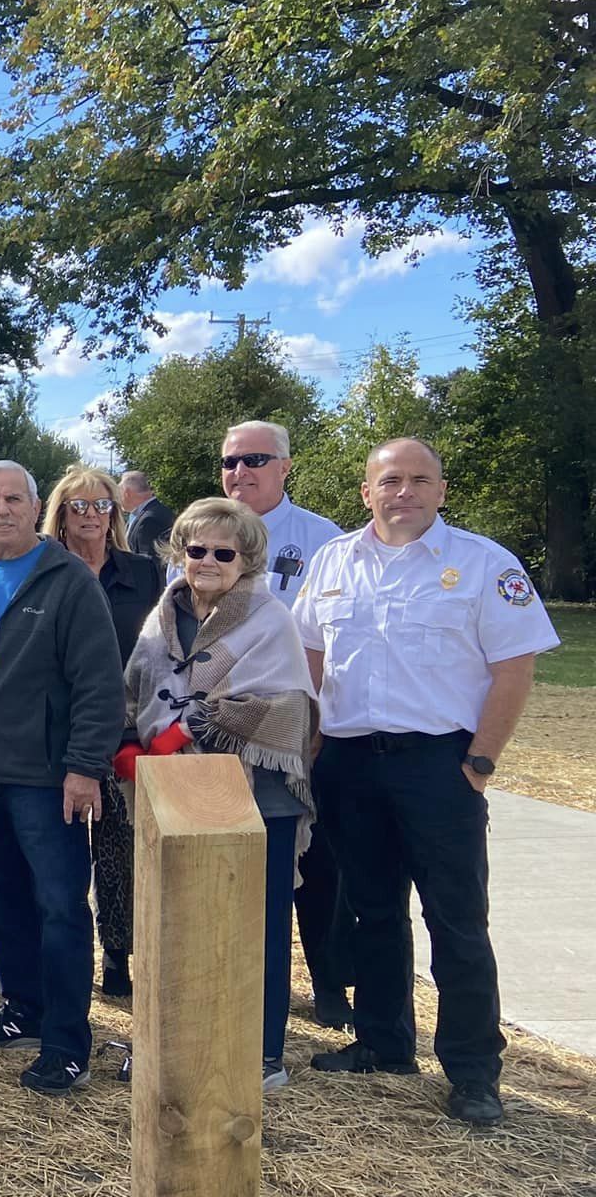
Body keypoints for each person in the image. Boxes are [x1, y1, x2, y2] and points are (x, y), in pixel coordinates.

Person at [294, 438, 558, 1127]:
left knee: (456, 921)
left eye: (419, 480)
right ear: (366, 492)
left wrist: (481, 762)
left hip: (440, 765)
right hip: (350, 761)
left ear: (442, 490)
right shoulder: (333, 561)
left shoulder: (483, 564)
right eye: (390, 480)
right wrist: (316, 746)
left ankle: (473, 1071)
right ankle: (383, 1044)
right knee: (373, 911)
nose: (403, 492)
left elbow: (514, 667)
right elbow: (312, 657)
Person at [121, 497, 317, 1090]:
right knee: (183, 915)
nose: (206, 560)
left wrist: (187, 728)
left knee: (256, 925)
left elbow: (286, 709)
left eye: (222, 552)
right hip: (177, 790)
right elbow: (138, 684)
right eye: (194, 549)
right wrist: (131, 741)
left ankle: (262, 1054)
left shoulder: (269, 616)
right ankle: (189, 1037)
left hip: (258, 795)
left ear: (247, 560)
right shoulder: (163, 613)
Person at [0, 462, 123, 1095]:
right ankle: (23, 1008)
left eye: (13, 499)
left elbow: (100, 685)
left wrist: (83, 768)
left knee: (60, 909)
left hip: (47, 779)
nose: (1, 510)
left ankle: (68, 1042)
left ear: (35, 504)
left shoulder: (69, 580)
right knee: (1, 901)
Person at [222, 419, 355, 1028]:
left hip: (300, 732)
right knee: (237, 865)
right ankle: (242, 983)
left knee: (315, 863)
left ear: (284, 467)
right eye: (230, 461)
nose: (239, 472)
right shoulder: (204, 532)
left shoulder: (323, 541)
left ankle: (329, 984)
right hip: (219, 733)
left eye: (254, 459)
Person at [42, 463, 164, 998]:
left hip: (129, 729)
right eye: (79, 506)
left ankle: (119, 955)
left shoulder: (144, 573)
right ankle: (63, 958)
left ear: (115, 512)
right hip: (54, 732)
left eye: (102, 505)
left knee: (121, 851)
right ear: (61, 514)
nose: (91, 516)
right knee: (61, 854)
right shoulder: (42, 570)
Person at [120, 469, 173, 562]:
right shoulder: (147, 513)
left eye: (118, 492)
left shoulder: (150, 519)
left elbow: (149, 562)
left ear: (126, 493)